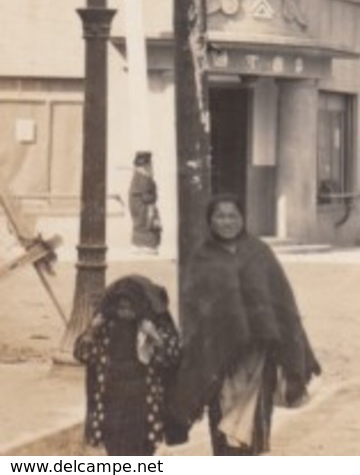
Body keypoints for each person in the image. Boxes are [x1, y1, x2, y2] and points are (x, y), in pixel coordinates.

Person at [168, 196, 320, 455]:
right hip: (219, 359)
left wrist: (293, 355)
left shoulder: (259, 252)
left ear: (242, 219)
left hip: (259, 359)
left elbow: (282, 304)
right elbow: (195, 312)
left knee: (255, 428)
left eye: (232, 216)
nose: (226, 222)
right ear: (210, 221)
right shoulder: (201, 258)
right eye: (220, 216)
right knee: (222, 426)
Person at [74, 275, 181, 456]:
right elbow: (82, 355)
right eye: (120, 307)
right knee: (114, 448)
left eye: (129, 307)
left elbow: (172, 358)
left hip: (142, 403)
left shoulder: (153, 324)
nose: (124, 312)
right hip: (112, 400)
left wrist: (155, 337)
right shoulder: (107, 326)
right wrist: (92, 330)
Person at [127, 152, 161, 253]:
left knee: (140, 224)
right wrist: (154, 196)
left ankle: (140, 244)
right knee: (146, 226)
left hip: (139, 208)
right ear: (146, 165)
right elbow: (148, 197)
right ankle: (145, 245)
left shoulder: (137, 177)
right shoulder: (144, 178)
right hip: (143, 209)